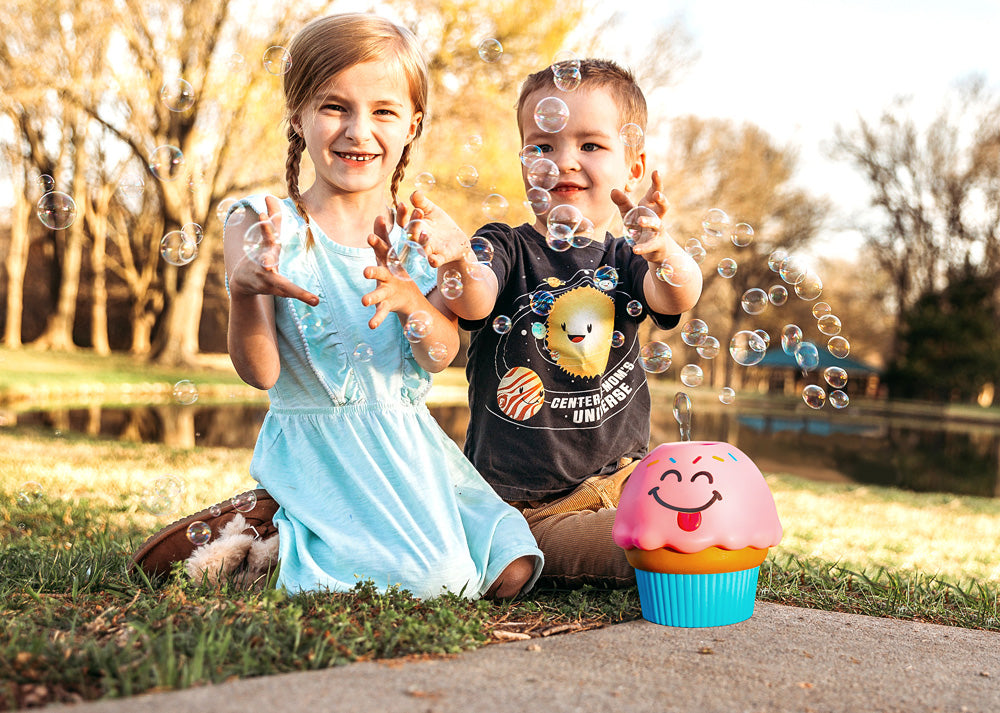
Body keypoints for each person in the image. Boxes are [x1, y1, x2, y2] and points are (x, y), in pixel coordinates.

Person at [133, 13, 542, 599]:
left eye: (383, 111)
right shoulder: (261, 223)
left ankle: (273, 534)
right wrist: (245, 294)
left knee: (511, 569)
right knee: (440, 581)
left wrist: (413, 302)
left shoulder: (420, 234)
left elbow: (437, 355)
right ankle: (280, 537)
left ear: (412, 124)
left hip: (407, 450)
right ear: (297, 117)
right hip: (318, 452)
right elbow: (262, 373)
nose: (358, 130)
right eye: (333, 107)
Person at [412, 59, 703, 585]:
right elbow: (474, 300)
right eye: (543, 146)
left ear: (633, 168)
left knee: (705, 507)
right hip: (534, 505)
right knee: (647, 554)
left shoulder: (629, 256)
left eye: (590, 145)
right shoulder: (503, 246)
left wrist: (664, 252)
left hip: (628, 478)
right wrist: (457, 261)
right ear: (523, 161)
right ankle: (526, 549)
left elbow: (677, 292)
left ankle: (645, 531)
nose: (564, 161)